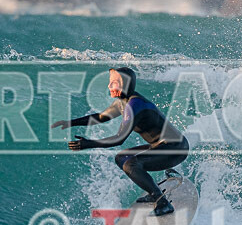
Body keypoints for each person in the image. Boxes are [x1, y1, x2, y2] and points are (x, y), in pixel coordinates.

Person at [51, 67, 189, 216]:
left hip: (176, 148)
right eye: (110, 82)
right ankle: (154, 192)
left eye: (114, 83)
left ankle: (163, 203)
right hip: (159, 146)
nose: (109, 86)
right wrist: (70, 122)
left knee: (131, 164)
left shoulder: (135, 105)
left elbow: (119, 139)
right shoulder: (122, 103)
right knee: (122, 158)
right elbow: (101, 117)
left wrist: (89, 144)